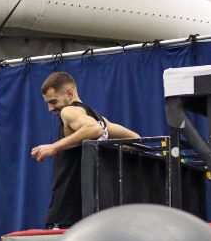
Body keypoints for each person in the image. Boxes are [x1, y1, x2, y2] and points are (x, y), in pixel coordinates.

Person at [31, 71, 140, 228]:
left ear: (69, 93)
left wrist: (54, 147)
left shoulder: (69, 111)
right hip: (91, 210)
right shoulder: (101, 120)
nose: (50, 108)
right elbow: (135, 139)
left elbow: (94, 129)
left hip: (67, 212)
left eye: (53, 102)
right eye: (48, 103)